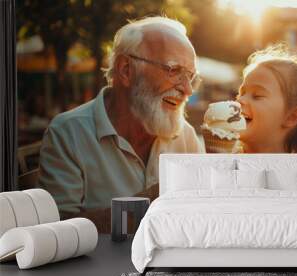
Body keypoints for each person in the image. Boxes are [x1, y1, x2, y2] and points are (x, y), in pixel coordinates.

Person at [38, 17, 205, 231]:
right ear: (126, 69)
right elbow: (56, 230)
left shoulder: (186, 136)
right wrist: (152, 202)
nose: (188, 90)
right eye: (173, 70)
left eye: (191, 77)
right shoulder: (68, 133)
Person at [236, 46, 297, 195]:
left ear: (291, 117)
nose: (240, 100)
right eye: (241, 93)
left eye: (257, 95)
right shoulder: (229, 160)